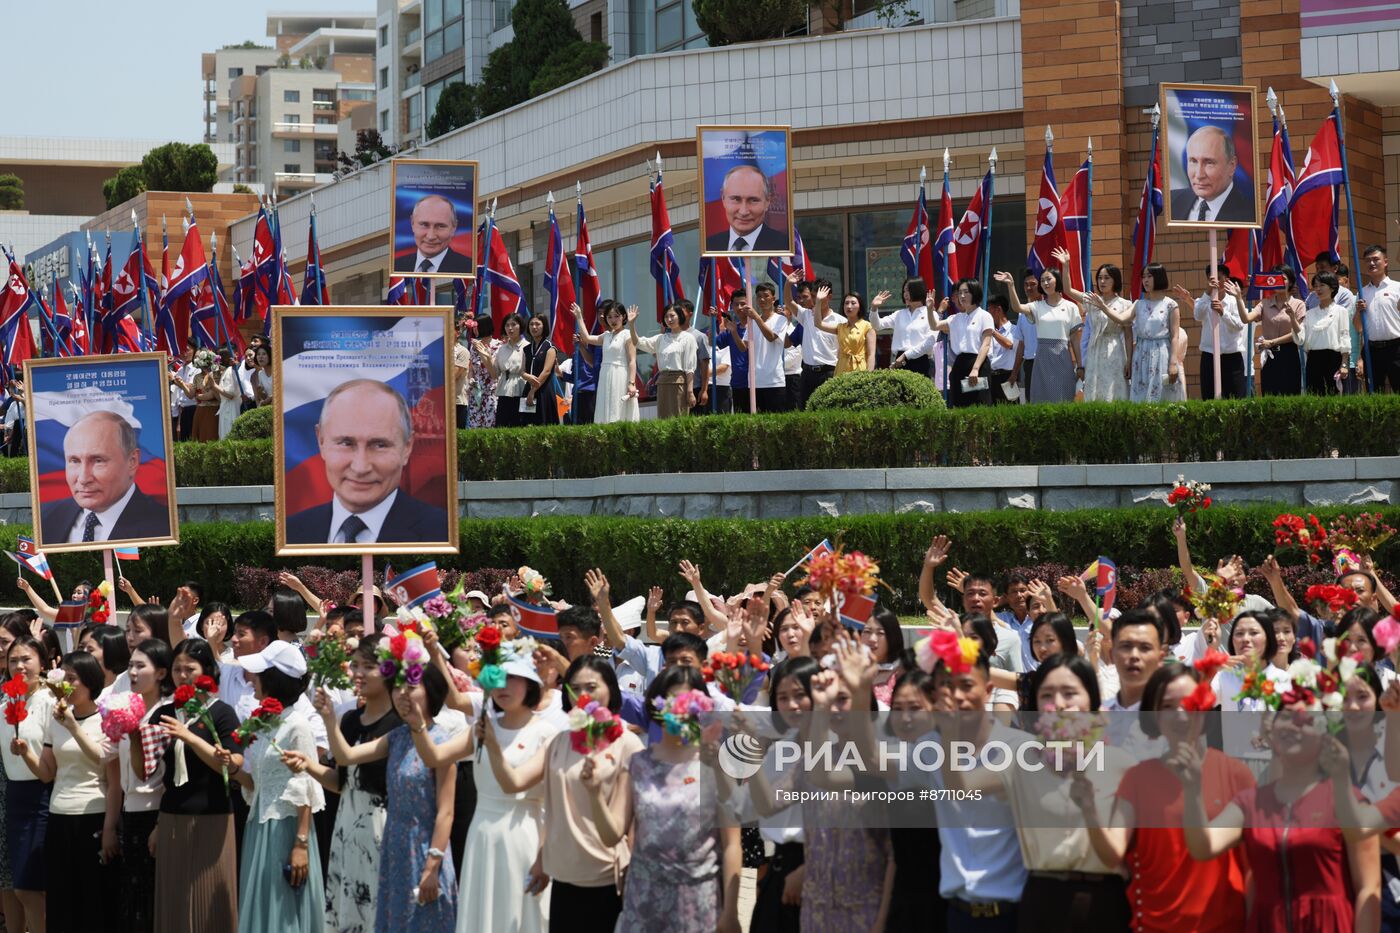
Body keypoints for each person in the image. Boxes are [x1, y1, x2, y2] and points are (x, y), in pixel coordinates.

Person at [1176, 698, 1381, 932]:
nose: (1292, 725)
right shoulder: (1250, 802)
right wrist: (1192, 790)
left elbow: (1369, 888)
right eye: (1284, 717)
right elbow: (1203, 846)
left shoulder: (1347, 800)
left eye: (1304, 720)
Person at [1076, 662, 1252, 932]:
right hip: (1154, 924)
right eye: (1167, 706)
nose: (1180, 716)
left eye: (1190, 703)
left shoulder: (1236, 774)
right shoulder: (1138, 778)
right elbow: (1113, 854)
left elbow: (1252, 868)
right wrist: (1089, 810)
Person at [582, 665, 743, 933]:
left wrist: (731, 912)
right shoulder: (637, 764)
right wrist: (595, 793)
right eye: (671, 700)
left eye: (687, 701)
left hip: (698, 902)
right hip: (644, 902)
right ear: (657, 705)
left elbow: (731, 845)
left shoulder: (716, 766)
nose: (679, 710)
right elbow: (612, 835)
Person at [315, 664, 458, 933]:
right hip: (394, 845)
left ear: (433, 693)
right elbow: (346, 756)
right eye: (397, 687)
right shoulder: (397, 737)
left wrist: (433, 864)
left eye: (412, 687)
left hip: (426, 846)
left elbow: (446, 812)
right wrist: (329, 719)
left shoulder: (443, 741)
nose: (402, 693)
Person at [225, 642, 325, 933]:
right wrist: (231, 767)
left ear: (274, 680)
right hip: (259, 824)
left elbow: (305, 785)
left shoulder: (297, 725)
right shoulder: (264, 723)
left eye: (259, 674)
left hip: (287, 828)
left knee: (285, 910)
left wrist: (301, 844)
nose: (251, 678)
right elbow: (256, 783)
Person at [283, 379, 450, 546]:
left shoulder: (439, 532)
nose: (360, 467)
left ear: (407, 447)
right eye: (346, 443)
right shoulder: (292, 532)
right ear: (321, 441)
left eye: (379, 445)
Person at [151, 639, 241, 933]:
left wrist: (189, 737)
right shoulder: (163, 713)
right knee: (175, 899)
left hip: (213, 817)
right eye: (177, 668)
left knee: (209, 899)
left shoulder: (222, 713)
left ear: (208, 671)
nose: (182, 674)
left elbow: (231, 764)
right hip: (172, 816)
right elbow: (154, 772)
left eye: (189, 668)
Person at [109, 638, 173, 932]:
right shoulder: (129, 708)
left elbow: (154, 774)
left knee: (150, 903)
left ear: (161, 673)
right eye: (131, 665)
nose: (133, 672)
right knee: (131, 902)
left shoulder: (167, 713)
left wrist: (160, 824)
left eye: (141, 666)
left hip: (155, 815)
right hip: (129, 813)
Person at [39, 410, 170, 544]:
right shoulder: (45, 516)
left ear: (132, 461)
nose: (83, 479)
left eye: (98, 461)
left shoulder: (163, 526)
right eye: (74, 461)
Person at [0, 635, 54, 933]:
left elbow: (49, 769)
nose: (19, 666)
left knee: (29, 889)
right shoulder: (7, 699)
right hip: (15, 798)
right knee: (20, 886)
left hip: (41, 798)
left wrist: (26, 752)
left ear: (42, 663)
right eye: (13, 660)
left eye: (26, 659)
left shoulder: (50, 701)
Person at [994, 267, 1082, 403]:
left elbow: (1075, 340)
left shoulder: (1071, 307)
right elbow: (1017, 307)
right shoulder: (1037, 306)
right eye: (1042, 280)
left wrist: (1080, 365)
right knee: (1040, 401)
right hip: (1041, 359)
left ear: (1057, 280)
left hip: (1062, 358)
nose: (1045, 283)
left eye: (1048, 279)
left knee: (1064, 399)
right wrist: (1011, 285)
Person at [1056, 249, 1133, 402]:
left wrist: (1129, 361)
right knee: (1094, 391)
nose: (1102, 281)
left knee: (1114, 391)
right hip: (1094, 350)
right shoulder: (1092, 300)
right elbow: (1068, 290)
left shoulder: (1126, 304)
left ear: (1115, 281)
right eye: (1100, 278)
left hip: (1115, 350)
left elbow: (1129, 335)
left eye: (1107, 278)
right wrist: (1065, 266)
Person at [1176, 267, 1248, 399]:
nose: (1215, 282)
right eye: (1211, 279)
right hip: (1210, 356)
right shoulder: (1203, 300)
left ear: (1226, 279)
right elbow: (1198, 315)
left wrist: (1223, 313)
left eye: (1219, 278)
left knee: (1236, 398)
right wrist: (1207, 293)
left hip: (1231, 357)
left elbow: (1239, 325)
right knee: (1209, 396)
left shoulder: (1234, 301)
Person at [928, 278, 994, 407]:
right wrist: (930, 309)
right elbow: (934, 326)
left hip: (978, 364)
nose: (962, 296)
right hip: (959, 364)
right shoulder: (955, 318)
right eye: (960, 293)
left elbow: (986, 344)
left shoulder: (984, 316)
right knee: (959, 405)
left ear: (975, 293)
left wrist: (975, 369)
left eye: (966, 292)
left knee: (979, 405)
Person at [1170, 125, 1254, 223]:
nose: (1199, 175)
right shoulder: (1172, 201)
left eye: (1209, 163)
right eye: (1193, 161)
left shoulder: (1250, 214)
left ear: (1232, 166)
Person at [1126, 263, 1184, 403]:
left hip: (1162, 354)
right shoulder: (1138, 304)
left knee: (1164, 397)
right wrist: (1102, 306)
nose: (1145, 280)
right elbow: (1122, 319)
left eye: (1149, 276)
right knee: (1141, 399)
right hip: (1141, 355)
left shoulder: (1170, 304)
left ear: (1159, 277)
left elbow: (1175, 336)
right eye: (1143, 277)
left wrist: (1172, 363)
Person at [574, 301, 639, 425]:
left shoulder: (628, 335)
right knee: (605, 411)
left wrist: (631, 383)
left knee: (619, 411)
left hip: (620, 375)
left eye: (616, 316)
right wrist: (579, 316)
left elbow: (632, 361)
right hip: (605, 376)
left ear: (623, 317)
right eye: (609, 317)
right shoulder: (606, 336)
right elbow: (587, 338)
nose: (613, 320)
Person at [630, 305, 697, 418]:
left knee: (679, 418)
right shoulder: (661, 339)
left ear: (680, 316)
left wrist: (690, 392)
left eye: (672, 316)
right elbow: (638, 342)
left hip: (679, 382)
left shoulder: (688, 338)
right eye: (666, 317)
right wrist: (631, 324)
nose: (669, 319)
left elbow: (690, 368)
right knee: (663, 418)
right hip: (662, 382)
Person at [705, 165, 787, 253]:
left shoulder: (785, 247)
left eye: (753, 200)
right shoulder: (709, 246)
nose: (743, 212)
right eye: (736, 199)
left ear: (767, 201)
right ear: (723, 198)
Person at [1249, 272, 1305, 395]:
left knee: (1290, 396)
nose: (1279, 281)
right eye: (1276, 278)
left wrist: (1273, 341)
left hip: (1289, 354)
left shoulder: (1298, 304)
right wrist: (1238, 298)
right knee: (1269, 395)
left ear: (1290, 282)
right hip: (1269, 356)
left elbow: (1297, 333)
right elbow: (1246, 318)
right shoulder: (1265, 303)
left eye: (1283, 279)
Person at [787, 277, 840, 405]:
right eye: (814, 296)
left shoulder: (840, 321)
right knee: (805, 412)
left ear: (829, 297)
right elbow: (788, 301)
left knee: (828, 411)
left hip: (829, 372)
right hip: (807, 373)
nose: (816, 300)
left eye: (820, 297)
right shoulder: (806, 315)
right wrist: (788, 284)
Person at [736, 291, 791, 413]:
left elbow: (771, 337)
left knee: (775, 423)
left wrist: (756, 317)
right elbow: (743, 347)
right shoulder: (752, 322)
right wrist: (733, 331)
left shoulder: (780, 319)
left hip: (774, 381)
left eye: (766, 296)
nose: (762, 299)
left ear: (773, 299)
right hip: (755, 381)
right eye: (759, 296)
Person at [1355, 244, 1400, 392]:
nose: (1372, 263)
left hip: (1396, 348)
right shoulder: (1361, 292)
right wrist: (1358, 311)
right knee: (1374, 393)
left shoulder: (1397, 288)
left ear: (1385, 262)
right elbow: (1358, 327)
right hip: (1372, 350)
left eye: (1376, 259)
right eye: (1367, 260)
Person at [1303, 271, 1353, 395]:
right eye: (1315, 286)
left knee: (1334, 396)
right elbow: (1303, 338)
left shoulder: (1341, 311)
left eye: (1322, 285)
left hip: (1334, 359)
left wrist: (1344, 364)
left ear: (1332, 287)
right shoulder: (1309, 314)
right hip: (1313, 359)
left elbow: (1345, 338)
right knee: (1314, 396)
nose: (1318, 289)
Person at [395, 195, 472, 274]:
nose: (431, 236)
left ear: (454, 227)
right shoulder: (397, 266)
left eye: (440, 226)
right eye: (424, 225)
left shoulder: (469, 268)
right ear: (412, 223)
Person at [811, 286, 875, 375]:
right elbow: (818, 324)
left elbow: (871, 355)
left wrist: (869, 376)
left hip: (860, 370)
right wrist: (818, 301)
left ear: (860, 306)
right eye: (846, 303)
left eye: (853, 303)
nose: (849, 306)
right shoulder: (840, 327)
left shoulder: (867, 326)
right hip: (841, 370)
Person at [880, 278, 935, 379]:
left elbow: (929, 342)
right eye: (904, 291)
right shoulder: (899, 314)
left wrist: (906, 355)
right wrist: (874, 308)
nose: (905, 294)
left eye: (909, 291)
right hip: (899, 360)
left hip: (920, 360)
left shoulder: (930, 314)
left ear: (918, 291)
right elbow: (877, 325)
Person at [522, 313, 561, 426]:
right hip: (528, 389)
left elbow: (547, 371)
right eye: (531, 324)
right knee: (526, 425)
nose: (534, 327)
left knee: (544, 424)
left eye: (538, 324)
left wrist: (533, 391)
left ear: (544, 326)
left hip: (543, 390)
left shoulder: (550, 347)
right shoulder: (527, 349)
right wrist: (526, 376)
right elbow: (522, 370)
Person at [1009, 270, 1042, 402]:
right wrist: (1014, 373)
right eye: (1026, 285)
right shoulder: (1021, 314)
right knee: (1031, 400)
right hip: (1030, 364)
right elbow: (1021, 346)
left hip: (1046, 361)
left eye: (1033, 284)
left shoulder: (1049, 308)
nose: (1029, 288)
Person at [465, 315, 502, 428]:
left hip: (491, 394)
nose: (474, 330)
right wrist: (470, 379)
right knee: (475, 428)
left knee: (490, 427)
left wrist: (482, 352)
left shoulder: (498, 346)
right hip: (476, 395)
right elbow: (472, 368)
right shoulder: (473, 347)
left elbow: (494, 373)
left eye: (476, 326)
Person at [985, 295, 1020, 404]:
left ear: (998, 309)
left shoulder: (1015, 329)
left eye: (989, 309)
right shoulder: (988, 332)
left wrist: (993, 332)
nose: (987, 313)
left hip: (1007, 377)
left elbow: (1009, 344)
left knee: (1010, 412)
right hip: (991, 377)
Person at [191, 350, 222, 442]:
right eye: (204, 366)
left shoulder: (217, 375)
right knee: (199, 439)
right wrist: (181, 384)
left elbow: (212, 395)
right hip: (200, 410)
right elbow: (191, 394)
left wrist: (199, 396)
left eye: (207, 365)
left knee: (211, 436)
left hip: (213, 409)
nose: (205, 368)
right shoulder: (197, 377)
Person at [216, 350, 243, 439]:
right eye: (221, 355)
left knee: (230, 435)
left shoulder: (233, 370)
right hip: (224, 407)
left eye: (225, 355)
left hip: (231, 407)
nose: (223, 358)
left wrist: (214, 385)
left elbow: (230, 394)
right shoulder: (227, 370)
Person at [453, 322, 472, 430]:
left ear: (458, 332)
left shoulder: (462, 351)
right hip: (440, 401)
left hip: (457, 401)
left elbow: (453, 376)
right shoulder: (438, 350)